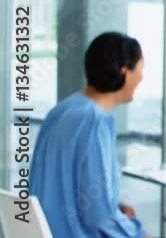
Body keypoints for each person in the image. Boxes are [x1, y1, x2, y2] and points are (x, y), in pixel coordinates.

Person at [30, 32, 150, 238]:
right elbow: (99, 216)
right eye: (140, 68)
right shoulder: (95, 122)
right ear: (124, 71)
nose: (142, 77)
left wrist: (112, 206)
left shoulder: (60, 111)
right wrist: (138, 233)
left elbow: (57, 186)